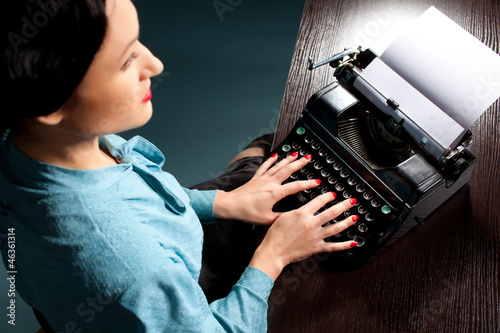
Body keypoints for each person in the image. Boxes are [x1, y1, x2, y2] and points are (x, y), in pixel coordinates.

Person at [0, 0, 359, 332]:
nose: (155, 64)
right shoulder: (131, 266)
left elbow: (137, 192)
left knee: (265, 156)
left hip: (136, 281)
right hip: (174, 302)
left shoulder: (27, 143)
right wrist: (273, 256)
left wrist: (226, 203)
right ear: (51, 103)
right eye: (126, 61)